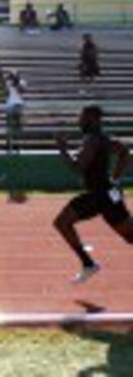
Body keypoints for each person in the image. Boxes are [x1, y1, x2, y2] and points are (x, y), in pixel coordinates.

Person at [54, 105, 133, 284]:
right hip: (106, 194)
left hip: (100, 195)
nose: (79, 121)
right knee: (130, 237)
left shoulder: (93, 140)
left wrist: (62, 148)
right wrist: (116, 178)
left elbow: (78, 167)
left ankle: (88, 264)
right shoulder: (103, 139)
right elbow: (124, 152)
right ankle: (88, 264)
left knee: (62, 222)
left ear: (92, 119)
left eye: (82, 118)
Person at [5, 70, 27, 153]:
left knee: (18, 127)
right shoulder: (9, 83)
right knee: (10, 127)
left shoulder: (22, 83)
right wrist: (12, 83)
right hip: (10, 105)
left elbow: (22, 91)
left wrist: (17, 84)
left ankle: (18, 145)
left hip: (18, 105)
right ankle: (9, 145)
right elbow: (7, 92)